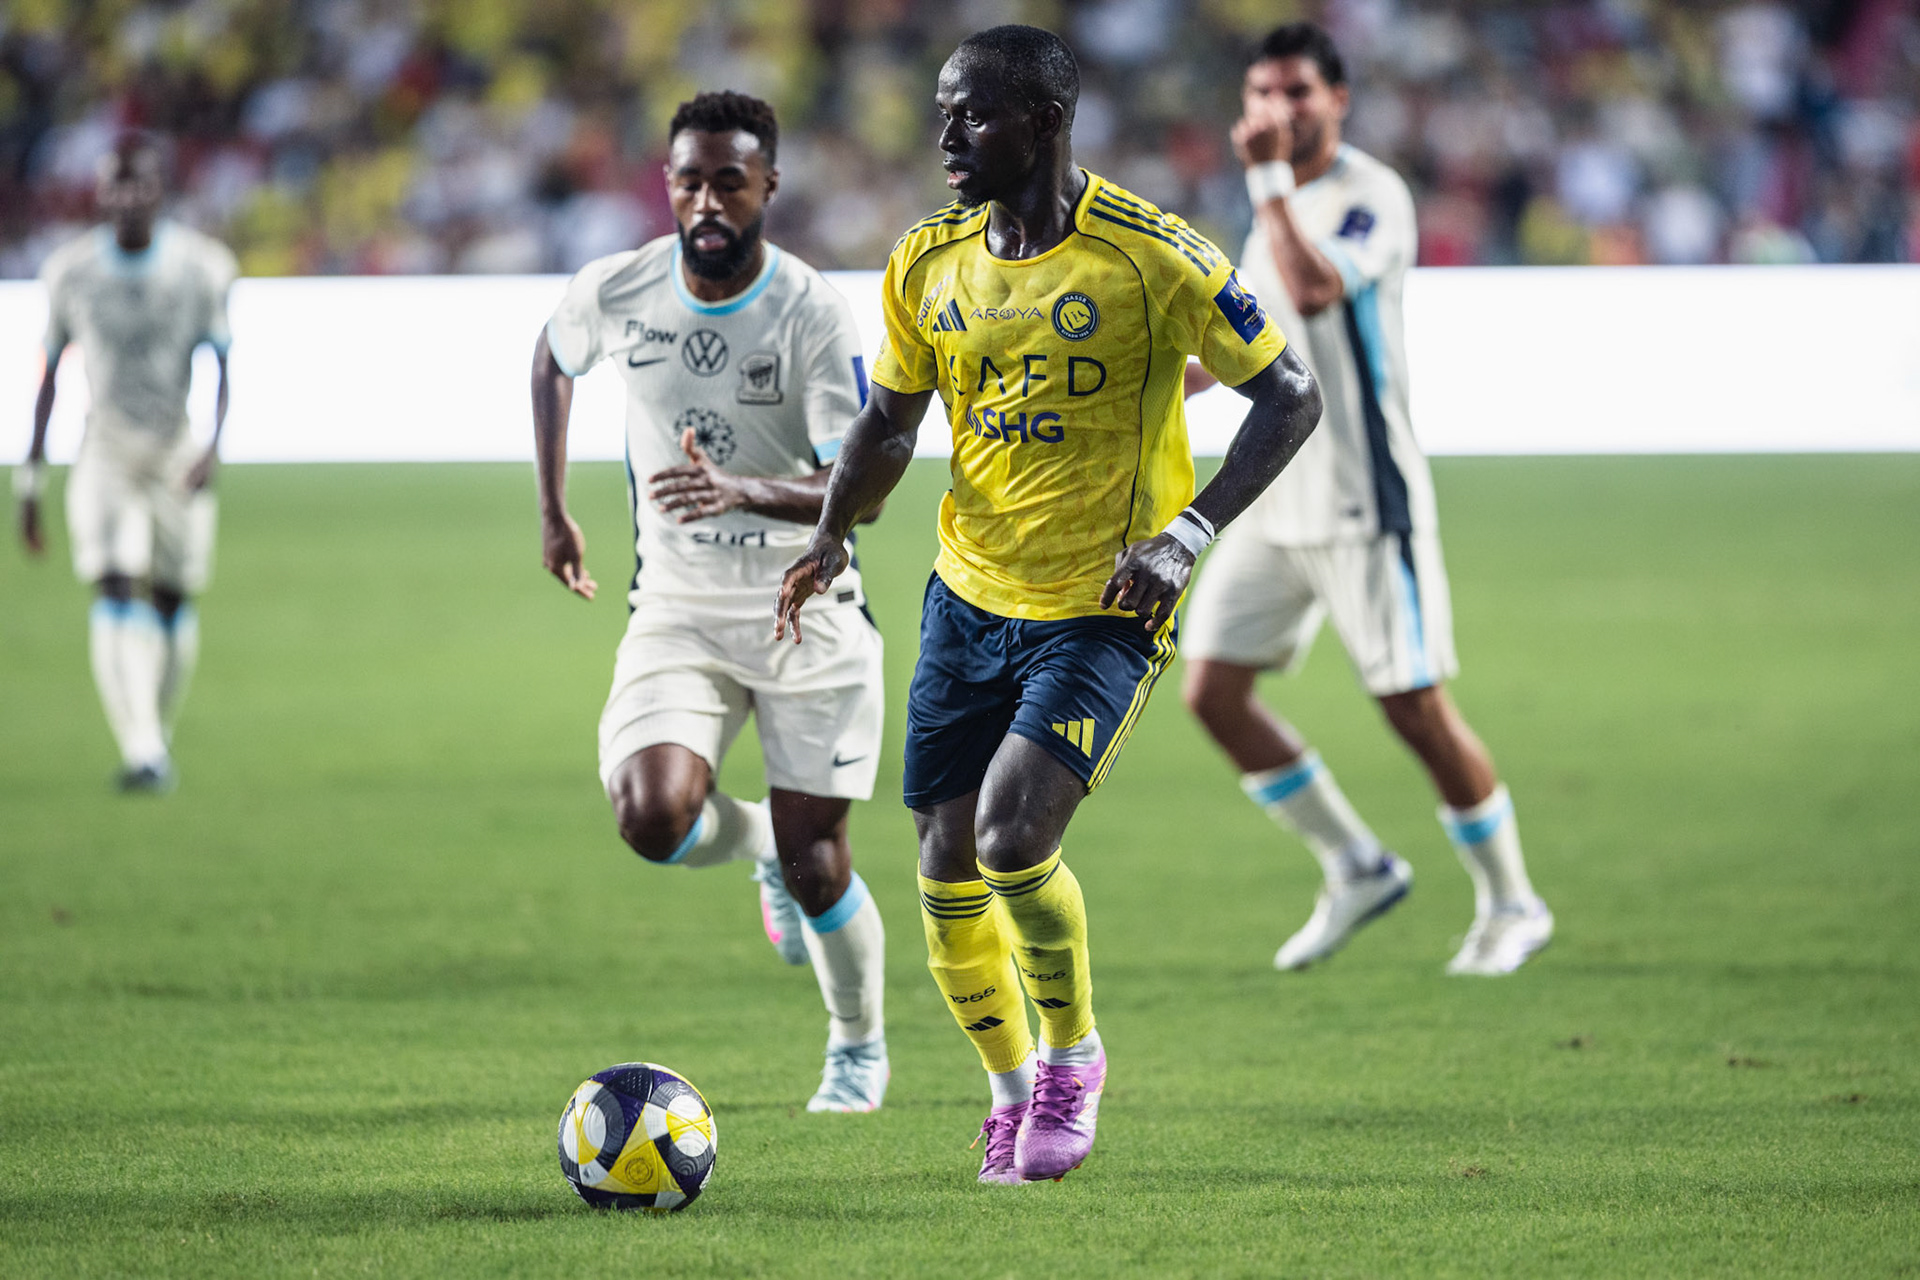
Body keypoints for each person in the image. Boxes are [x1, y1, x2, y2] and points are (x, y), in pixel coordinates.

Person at [775, 26, 1321, 1184]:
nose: (946, 136)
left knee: (1013, 837)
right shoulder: (927, 258)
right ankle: (1010, 1087)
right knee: (941, 859)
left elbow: (1289, 393)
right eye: (943, 111)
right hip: (970, 593)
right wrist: (830, 533)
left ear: (1046, 120)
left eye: (971, 113)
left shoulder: (1153, 256)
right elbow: (888, 420)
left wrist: (1188, 532)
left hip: (1105, 599)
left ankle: (1074, 1055)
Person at [531, 91, 889, 1113]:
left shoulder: (811, 310)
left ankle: (857, 1048)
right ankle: (762, 848)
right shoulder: (623, 288)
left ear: (769, 184)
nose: (706, 201)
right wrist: (554, 508)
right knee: (650, 815)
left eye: (729, 179)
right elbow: (552, 358)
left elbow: (854, 483)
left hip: (803, 606)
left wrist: (742, 490)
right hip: (678, 608)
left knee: (823, 866)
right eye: (688, 179)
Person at [1180, 23, 1553, 977]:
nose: (1278, 108)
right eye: (1263, 92)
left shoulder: (1369, 196)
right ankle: (1354, 862)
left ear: (1337, 100)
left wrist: (1267, 187)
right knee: (1213, 690)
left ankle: (1513, 902)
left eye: (1297, 91)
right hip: (1273, 498)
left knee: (1414, 707)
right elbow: (1239, 354)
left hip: (1362, 496)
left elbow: (1311, 291)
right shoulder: (1265, 210)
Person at [16, 132, 235, 792]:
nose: (129, 197)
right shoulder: (71, 271)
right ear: (101, 191)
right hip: (104, 447)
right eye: (117, 183)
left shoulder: (203, 267)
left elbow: (224, 362)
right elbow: (50, 373)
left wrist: (215, 447)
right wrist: (31, 478)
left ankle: (152, 737)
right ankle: (142, 747)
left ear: (160, 191)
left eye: (141, 184)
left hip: (175, 447)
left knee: (172, 595)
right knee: (115, 581)